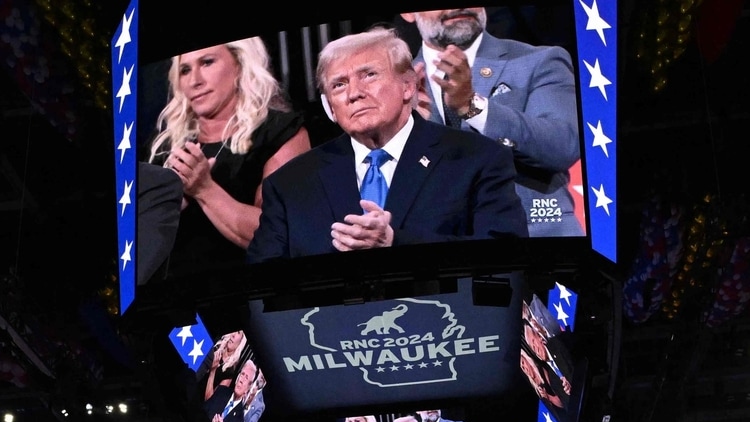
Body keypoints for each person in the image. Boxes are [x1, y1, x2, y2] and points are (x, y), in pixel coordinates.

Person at [246, 27, 527, 262]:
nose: (354, 93)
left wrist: (396, 242)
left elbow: (505, 255)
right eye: (339, 85)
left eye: (369, 75)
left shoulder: (477, 159)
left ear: (408, 86)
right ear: (329, 105)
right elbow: (262, 279)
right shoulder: (290, 184)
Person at [400, 8, 583, 236]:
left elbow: (562, 145)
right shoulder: (396, 86)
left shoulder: (540, 60)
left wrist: (472, 107)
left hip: (537, 244)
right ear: (408, 14)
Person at [145, 39, 310, 279]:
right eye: (185, 70)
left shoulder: (280, 132)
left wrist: (204, 189)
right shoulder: (163, 147)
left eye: (207, 62)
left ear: (240, 64)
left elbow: (279, 233)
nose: (194, 81)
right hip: (175, 297)